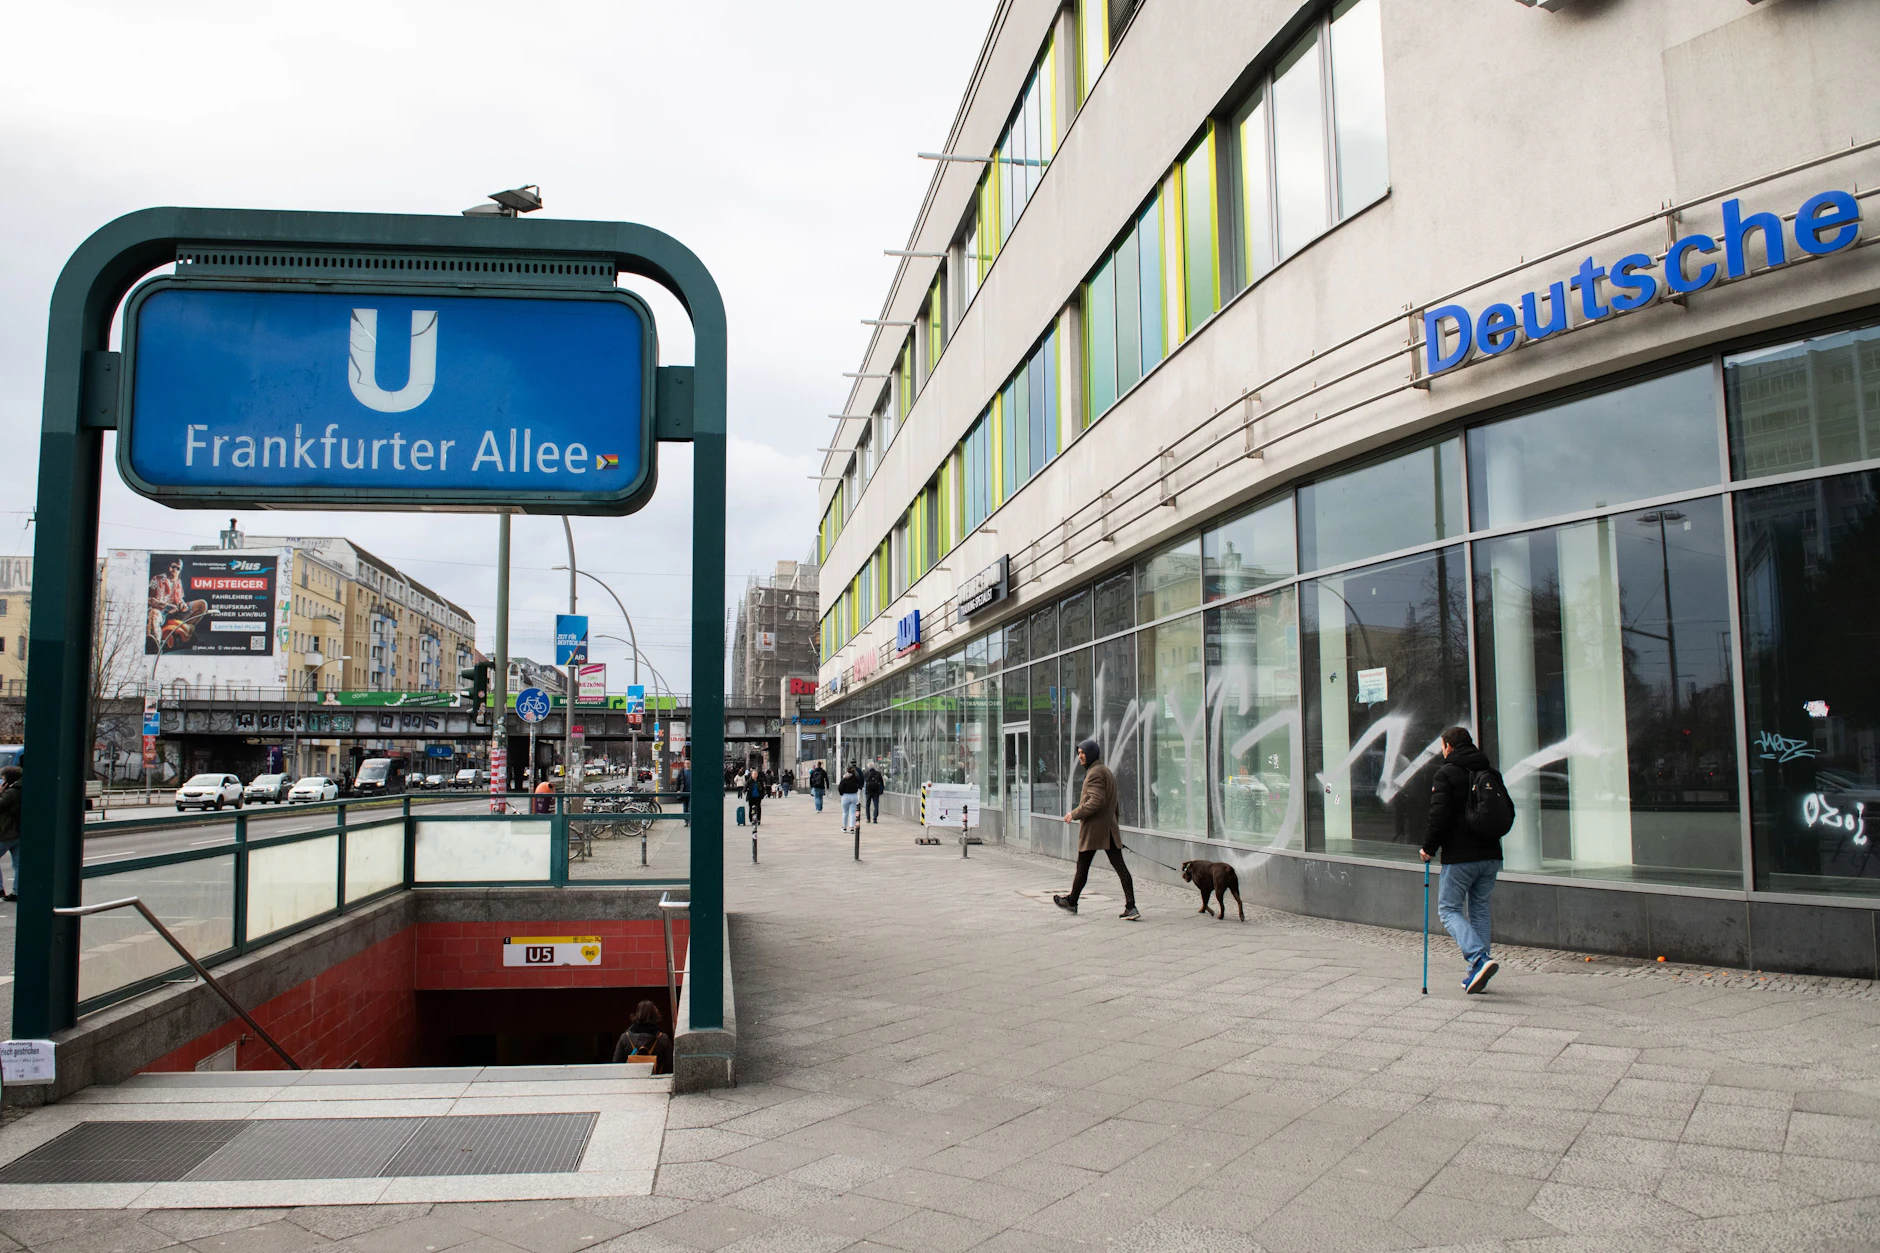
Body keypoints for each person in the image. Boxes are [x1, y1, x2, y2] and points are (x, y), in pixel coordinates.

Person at [1421, 726, 1506, 994]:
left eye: (1442, 747)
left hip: (1460, 857)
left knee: (1448, 910)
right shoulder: (1489, 772)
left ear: (1448, 746)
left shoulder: (1445, 773)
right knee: (1479, 909)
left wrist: (1428, 848)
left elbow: (1439, 817)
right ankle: (1477, 972)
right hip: (1490, 855)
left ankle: (1478, 958)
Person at [1055, 739, 1140, 921]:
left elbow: (1097, 800)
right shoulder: (1105, 771)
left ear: (1092, 752)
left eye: (1083, 752)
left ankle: (1072, 902)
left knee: (1083, 867)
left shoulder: (1095, 773)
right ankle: (1130, 906)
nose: (1080, 756)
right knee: (1118, 868)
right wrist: (1113, 823)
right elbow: (1113, 804)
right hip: (1107, 829)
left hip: (1095, 830)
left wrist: (1075, 813)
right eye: (1078, 753)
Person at [611, 1000, 673, 1075]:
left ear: (637, 1014)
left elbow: (616, 1064)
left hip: (630, 1082)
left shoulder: (625, 1037)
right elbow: (669, 1067)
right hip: (655, 1082)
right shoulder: (663, 1039)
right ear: (655, 1015)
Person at [0, 766, 21, 902]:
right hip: (19, 833)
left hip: (6, 832)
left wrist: (1, 792)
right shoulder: (22, 789)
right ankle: (18, 890)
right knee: (19, 864)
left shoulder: (11, 792)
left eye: (3, 779)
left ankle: (0, 888)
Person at [837, 763, 862, 830]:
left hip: (845, 796)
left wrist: (842, 794)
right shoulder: (856, 778)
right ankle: (852, 827)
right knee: (853, 813)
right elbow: (860, 784)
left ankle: (844, 827)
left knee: (845, 812)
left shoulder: (844, 779)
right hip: (854, 795)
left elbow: (840, 788)